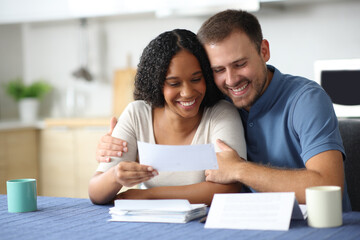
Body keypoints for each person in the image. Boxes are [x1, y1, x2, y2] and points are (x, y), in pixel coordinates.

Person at [96, 10, 351, 211]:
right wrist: (112, 148)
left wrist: (239, 169)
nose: (231, 80)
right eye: (218, 70)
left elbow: (328, 185)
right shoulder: (217, 101)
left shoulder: (305, 100)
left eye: (240, 64)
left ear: (264, 51)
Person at [89, 29, 246, 205]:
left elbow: (229, 188)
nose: (187, 92)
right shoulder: (137, 115)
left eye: (196, 79)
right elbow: (96, 192)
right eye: (174, 83)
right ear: (156, 83)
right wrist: (115, 175)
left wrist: (149, 196)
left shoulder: (221, 114)